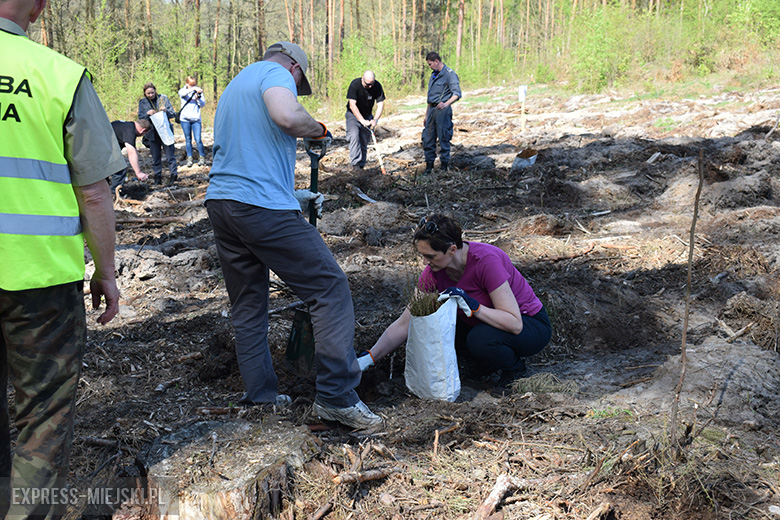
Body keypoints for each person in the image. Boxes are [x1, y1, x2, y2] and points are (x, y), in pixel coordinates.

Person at [205, 41, 382, 431]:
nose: (295, 84)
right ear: (293, 67)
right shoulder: (275, 74)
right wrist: (318, 129)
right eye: (298, 79)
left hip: (223, 204)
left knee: (249, 304)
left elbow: (247, 156)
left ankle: (260, 396)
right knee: (329, 288)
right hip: (259, 208)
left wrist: (294, 197)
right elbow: (287, 116)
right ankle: (336, 397)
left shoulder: (234, 86)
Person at [0, 0, 125, 516]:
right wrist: (106, 271)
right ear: (35, 7)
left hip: (40, 281)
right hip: (39, 283)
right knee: (42, 417)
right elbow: (94, 193)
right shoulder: (58, 74)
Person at [359, 214, 551, 387]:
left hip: (530, 325)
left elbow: (515, 324)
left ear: (452, 250)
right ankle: (485, 365)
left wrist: (474, 307)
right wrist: (369, 358)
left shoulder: (485, 261)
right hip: (484, 324)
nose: (424, 263)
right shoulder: (433, 272)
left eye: (430, 256)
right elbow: (405, 323)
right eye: (422, 256)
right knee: (433, 326)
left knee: (480, 339)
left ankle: (515, 370)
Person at [422, 52, 461, 175]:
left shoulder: (449, 74)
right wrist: (426, 115)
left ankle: (444, 167)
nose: (429, 67)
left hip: (442, 110)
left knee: (443, 137)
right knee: (428, 138)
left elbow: (457, 94)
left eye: (430, 64)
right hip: (432, 110)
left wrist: (446, 103)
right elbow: (430, 98)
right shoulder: (433, 75)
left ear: (437, 61)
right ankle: (429, 167)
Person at [138, 82, 179, 185]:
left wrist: (166, 111)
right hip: (152, 133)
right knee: (156, 157)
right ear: (145, 94)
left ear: (155, 91)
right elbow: (140, 117)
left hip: (165, 131)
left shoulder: (163, 99)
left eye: (152, 92)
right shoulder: (143, 103)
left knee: (170, 156)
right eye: (148, 93)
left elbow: (173, 113)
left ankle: (173, 176)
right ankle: (158, 177)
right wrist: (147, 113)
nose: (151, 95)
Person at [345, 70, 385, 171]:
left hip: (368, 115)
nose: (370, 86)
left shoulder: (377, 86)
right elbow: (352, 105)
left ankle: (361, 166)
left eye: (372, 84)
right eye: (368, 84)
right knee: (354, 136)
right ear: (363, 79)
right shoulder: (355, 84)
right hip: (353, 115)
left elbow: (380, 104)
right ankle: (356, 165)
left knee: (364, 140)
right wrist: (362, 120)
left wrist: (375, 119)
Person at [109, 118, 152, 194]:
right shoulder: (130, 130)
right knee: (120, 168)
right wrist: (138, 172)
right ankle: (114, 194)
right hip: (100, 150)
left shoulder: (126, 125)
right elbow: (131, 152)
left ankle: (107, 191)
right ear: (143, 130)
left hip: (100, 148)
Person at [178, 75, 207, 167]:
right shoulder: (183, 91)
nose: (192, 86)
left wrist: (198, 99)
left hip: (196, 119)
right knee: (188, 139)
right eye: (191, 85)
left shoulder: (198, 93)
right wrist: (193, 89)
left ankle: (202, 157)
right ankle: (189, 158)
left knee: (198, 139)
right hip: (185, 119)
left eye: (194, 84)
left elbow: (203, 104)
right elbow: (182, 94)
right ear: (187, 83)